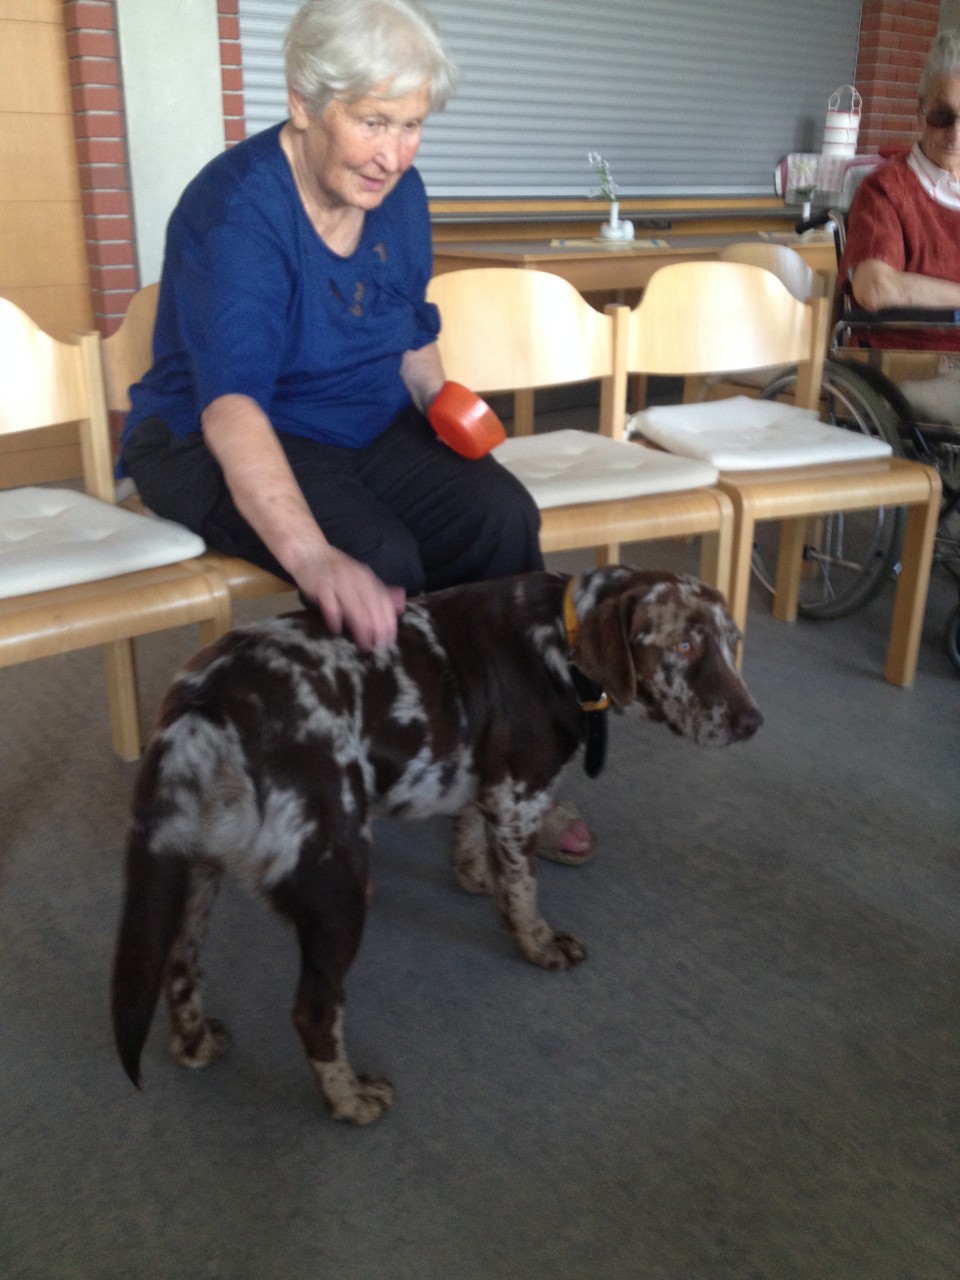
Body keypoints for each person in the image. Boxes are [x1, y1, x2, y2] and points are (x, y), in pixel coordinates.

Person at [119, 0, 594, 863]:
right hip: (213, 434)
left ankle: (508, 762)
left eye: (412, 125)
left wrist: (445, 406)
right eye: (374, 121)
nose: (394, 154)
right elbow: (232, 408)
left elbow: (408, 332)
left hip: (358, 417)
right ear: (303, 102)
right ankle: (367, 777)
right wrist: (314, 557)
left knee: (501, 516)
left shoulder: (399, 194)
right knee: (376, 558)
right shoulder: (237, 213)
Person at [839, 27, 960, 350]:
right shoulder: (886, 189)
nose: (955, 134)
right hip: (912, 361)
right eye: (942, 116)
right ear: (920, 114)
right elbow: (875, 288)